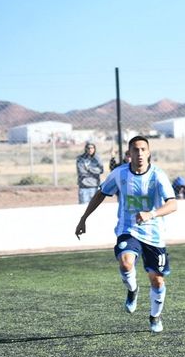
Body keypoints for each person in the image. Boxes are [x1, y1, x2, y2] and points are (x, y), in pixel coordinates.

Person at [75, 136, 177, 333]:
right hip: (128, 230)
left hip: (154, 235)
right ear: (128, 154)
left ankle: (155, 316)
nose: (139, 153)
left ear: (149, 153)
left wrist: (151, 214)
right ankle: (132, 290)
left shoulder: (158, 175)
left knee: (157, 280)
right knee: (126, 262)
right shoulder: (119, 174)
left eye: (143, 150)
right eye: (135, 150)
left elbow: (173, 204)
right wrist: (83, 218)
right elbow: (100, 194)